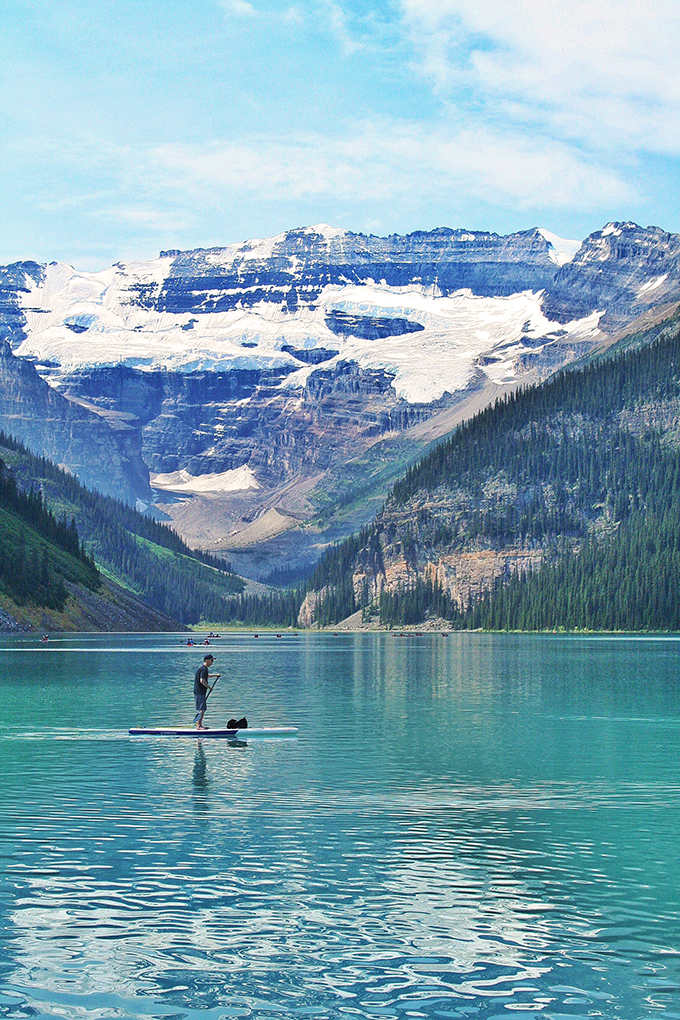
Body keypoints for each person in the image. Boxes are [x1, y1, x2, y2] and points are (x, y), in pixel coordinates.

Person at [193, 653, 220, 729]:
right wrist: (209, 687)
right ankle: (199, 726)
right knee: (202, 708)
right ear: (206, 660)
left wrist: (215, 675)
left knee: (202, 708)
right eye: (211, 660)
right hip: (199, 691)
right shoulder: (203, 669)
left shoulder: (203, 669)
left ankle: (199, 724)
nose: (212, 662)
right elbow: (202, 680)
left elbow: (206, 676)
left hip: (199, 691)